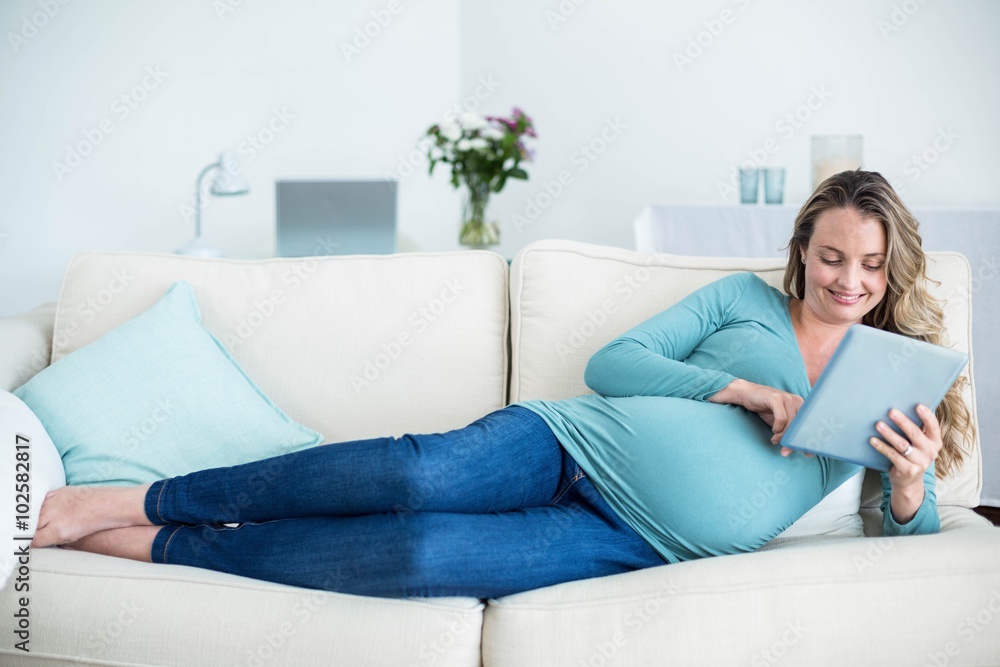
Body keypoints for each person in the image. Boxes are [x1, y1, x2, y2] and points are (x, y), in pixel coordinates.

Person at [33, 170, 974, 599]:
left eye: (870, 266)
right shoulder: (741, 300)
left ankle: (162, 545)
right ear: (803, 248)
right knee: (414, 481)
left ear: (892, 274)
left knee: (419, 559)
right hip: (568, 442)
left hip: (632, 541)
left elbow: (908, 527)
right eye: (832, 255)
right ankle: (127, 497)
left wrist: (904, 482)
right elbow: (616, 365)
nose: (848, 280)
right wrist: (745, 393)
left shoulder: (889, 381)